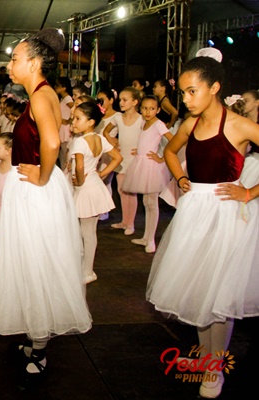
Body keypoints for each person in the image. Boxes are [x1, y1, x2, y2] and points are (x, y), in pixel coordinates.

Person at [0, 28, 91, 375]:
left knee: (37, 261)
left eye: (15, 58)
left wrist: (41, 176)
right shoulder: (41, 94)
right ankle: (36, 335)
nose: (10, 64)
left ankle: (39, 347)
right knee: (30, 260)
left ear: (35, 62)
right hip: (33, 188)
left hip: (35, 190)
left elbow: (53, 142)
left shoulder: (41, 96)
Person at [146, 48, 259, 399]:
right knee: (198, 291)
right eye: (182, 92)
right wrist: (180, 177)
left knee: (220, 295)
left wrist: (250, 192)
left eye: (192, 91)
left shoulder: (239, 124)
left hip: (226, 214)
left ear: (215, 88)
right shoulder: (190, 124)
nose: (186, 98)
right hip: (195, 210)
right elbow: (169, 151)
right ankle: (207, 359)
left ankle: (215, 367)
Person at [69, 102, 122, 283]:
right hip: (94, 185)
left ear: (91, 121)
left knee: (85, 232)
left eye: (78, 119)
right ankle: (86, 269)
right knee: (89, 232)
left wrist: (81, 180)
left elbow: (80, 166)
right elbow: (118, 157)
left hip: (85, 188)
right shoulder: (100, 139)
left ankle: (86, 271)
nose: (73, 122)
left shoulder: (79, 141)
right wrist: (101, 174)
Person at [120, 96, 173, 253]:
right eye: (144, 108)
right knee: (146, 202)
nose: (148, 111)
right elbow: (147, 140)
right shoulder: (144, 123)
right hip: (141, 162)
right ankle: (145, 237)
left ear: (158, 110)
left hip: (151, 166)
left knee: (152, 203)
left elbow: (174, 140)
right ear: (140, 109)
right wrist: (140, 150)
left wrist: (162, 157)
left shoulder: (158, 124)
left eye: (151, 108)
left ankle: (151, 241)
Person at [103, 87, 143, 235]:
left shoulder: (141, 119)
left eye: (125, 100)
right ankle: (124, 221)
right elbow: (106, 131)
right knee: (121, 190)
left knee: (131, 192)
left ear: (135, 102)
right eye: (120, 99)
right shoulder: (118, 117)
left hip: (133, 160)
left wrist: (142, 148)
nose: (121, 102)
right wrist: (112, 140)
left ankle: (131, 223)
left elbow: (149, 136)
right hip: (121, 158)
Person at [95, 89, 121, 221]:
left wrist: (115, 142)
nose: (100, 102)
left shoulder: (117, 116)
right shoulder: (97, 115)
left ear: (111, 100)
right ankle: (97, 208)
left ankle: (105, 210)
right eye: (98, 99)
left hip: (108, 152)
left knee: (105, 181)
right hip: (95, 151)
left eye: (102, 99)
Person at [55, 78, 74, 168]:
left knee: (64, 154)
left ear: (64, 88)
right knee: (61, 155)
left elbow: (75, 109)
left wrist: (68, 120)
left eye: (58, 86)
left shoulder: (68, 99)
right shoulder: (63, 98)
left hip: (65, 128)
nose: (56, 88)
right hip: (61, 127)